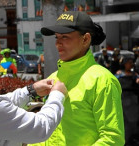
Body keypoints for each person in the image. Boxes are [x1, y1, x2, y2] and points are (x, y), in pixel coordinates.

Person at [29, 11, 125, 146]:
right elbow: (48, 131)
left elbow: (112, 138)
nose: (58, 44)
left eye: (65, 37)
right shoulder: (53, 78)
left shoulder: (102, 80)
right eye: (57, 37)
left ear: (85, 39)